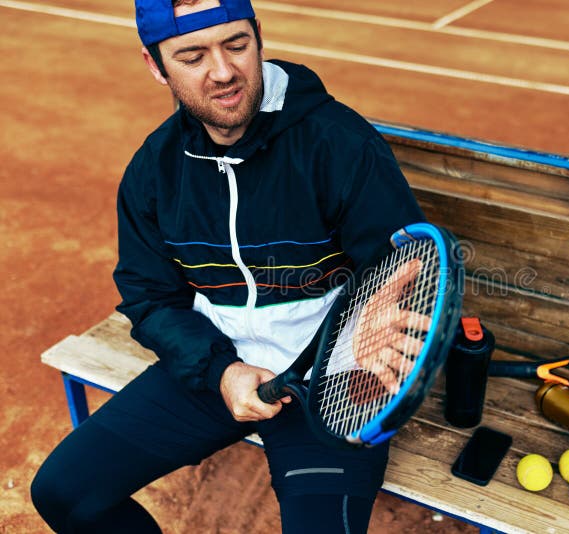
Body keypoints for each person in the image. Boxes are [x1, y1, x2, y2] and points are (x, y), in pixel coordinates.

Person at [31, 0, 426, 531]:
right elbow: (150, 296)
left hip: (332, 383)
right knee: (64, 493)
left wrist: (383, 308)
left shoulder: (340, 144)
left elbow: (406, 263)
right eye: (192, 56)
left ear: (259, 36)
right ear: (155, 65)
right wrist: (221, 372)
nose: (223, 72)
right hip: (217, 367)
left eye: (236, 45)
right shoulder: (155, 170)